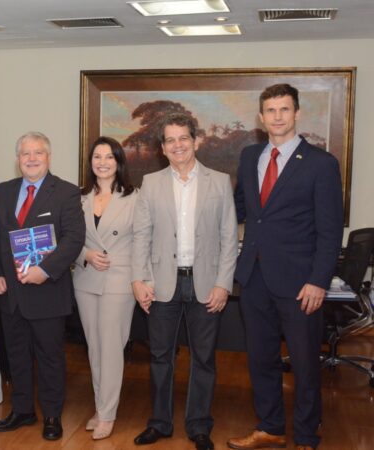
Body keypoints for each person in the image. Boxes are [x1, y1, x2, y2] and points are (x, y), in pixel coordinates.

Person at [228, 84, 343, 450]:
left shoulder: (321, 163)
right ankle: (270, 426)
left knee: (306, 364)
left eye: (284, 109)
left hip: (300, 283)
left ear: (296, 113)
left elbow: (329, 230)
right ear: (261, 118)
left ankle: (307, 435)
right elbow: (240, 211)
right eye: (270, 110)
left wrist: (318, 281)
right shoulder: (250, 157)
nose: (277, 116)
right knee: (261, 359)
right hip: (254, 278)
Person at [131, 113, 237, 450]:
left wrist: (223, 284)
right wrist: (139, 278)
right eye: (170, 140)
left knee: (203, 358)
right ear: (163, 148)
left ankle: (199, 425)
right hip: (162, 282)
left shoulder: (219, 182)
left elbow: (228, 237)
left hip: (205, 282)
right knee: (161, 357)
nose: (178, 145)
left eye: (183, 138)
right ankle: (160, 423)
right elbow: (141, 236)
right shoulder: (151, 183)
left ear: (196, 141)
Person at [0, 132, 85, 441]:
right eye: (25, 153)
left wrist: (45, 270)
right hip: (10, 293)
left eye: (38, 153)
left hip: (47, 291)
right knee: (16, 354)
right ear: (17, 160)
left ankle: (52, 415)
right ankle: (23, 410)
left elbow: (73, 239)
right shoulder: (1, 192)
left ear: (48, 157)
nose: (31, 158)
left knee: (50, 357)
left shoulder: (66, 192)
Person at [72, 136, 137, 440]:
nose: (102, 162)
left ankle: (108, 414)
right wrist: (84, 254)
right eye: (97, 157)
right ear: (91, 163)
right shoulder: (78, 198)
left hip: (119, 280)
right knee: (95, 348)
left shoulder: (135, 197)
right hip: (86, 279)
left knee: (111, 348)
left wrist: (143, 280)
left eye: (109, 157)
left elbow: (143, 242)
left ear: (118, 161)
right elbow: (67, 238)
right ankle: (100, 408)